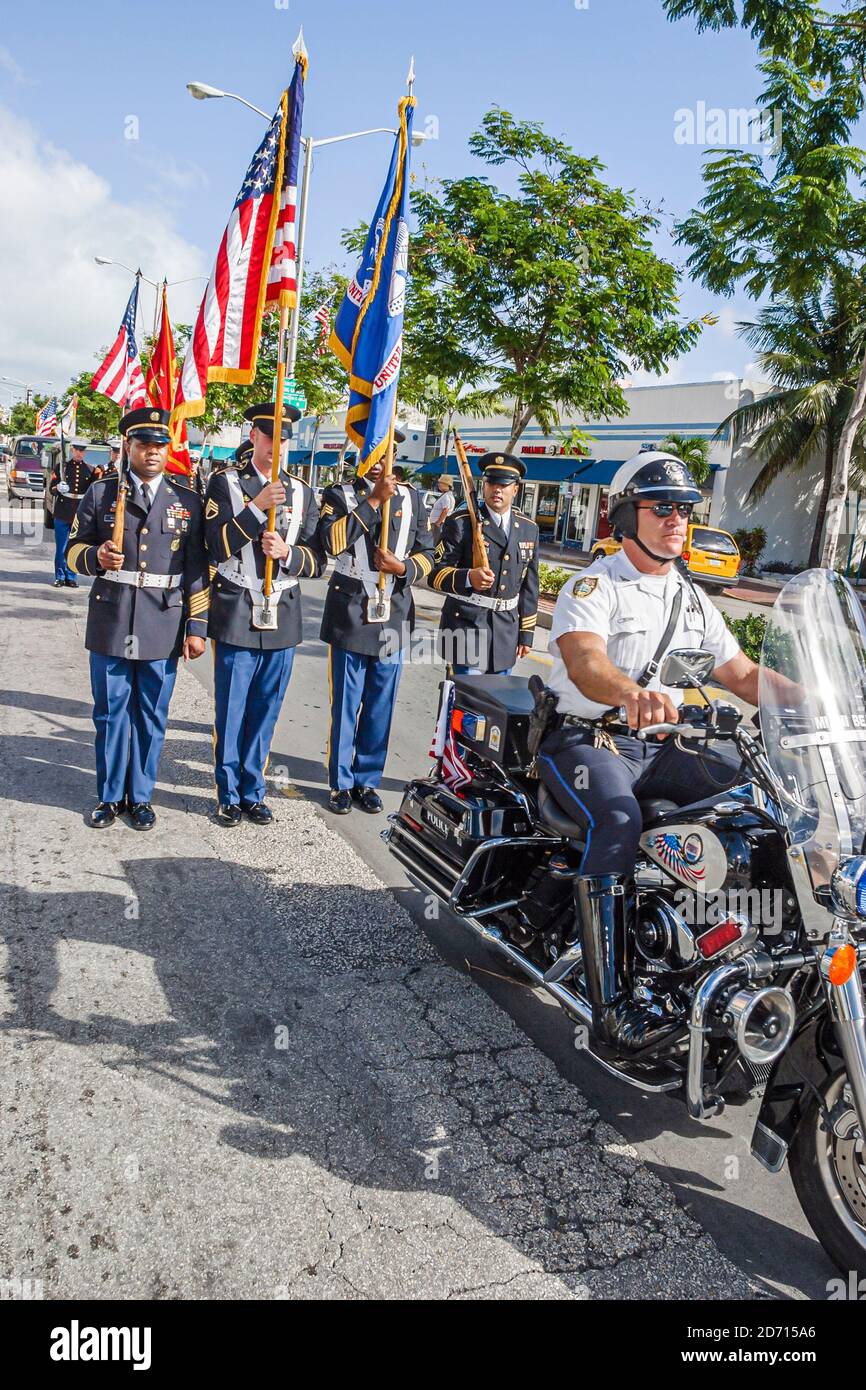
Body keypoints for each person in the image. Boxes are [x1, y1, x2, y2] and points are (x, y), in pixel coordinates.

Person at [536, 451, 762, 1050]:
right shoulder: (595, 583)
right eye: (661, 507)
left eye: (685, 508)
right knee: (617, 818)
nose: (677, 519)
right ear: (623, 516)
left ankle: (744, 953)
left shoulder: (693, 598)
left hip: (663, 745)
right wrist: (631, 693)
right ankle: (610, 1003)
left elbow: (743, 675)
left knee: (754, 796)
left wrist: (827, 701)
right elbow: (586, 663)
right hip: (589, 738)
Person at [65, 408, 209, 830]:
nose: (152, 452)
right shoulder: (102, 493)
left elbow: (198, 568)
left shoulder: (187, 499)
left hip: (163, 620)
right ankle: (109, 797)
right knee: (110, 712)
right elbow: (73, 551)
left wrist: (197, 628)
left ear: (168, 450)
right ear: (128, 446)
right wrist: (95, 557)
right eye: (144, 444)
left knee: (151, 714)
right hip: (112, 616)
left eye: (160, 445)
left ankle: (141, 797)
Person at [204, 402, 324, 827]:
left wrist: (288, 553)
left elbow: (318, 559)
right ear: (253, 436)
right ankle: (228, 792)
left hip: (283, 610)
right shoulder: (226, 484)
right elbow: (214, 547)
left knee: (266, 709)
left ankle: (253, 790)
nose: (277, 444)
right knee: (232, 708)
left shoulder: (306, 491)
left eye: (284, 437)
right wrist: (256, 509)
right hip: (237, 605)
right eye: (269, 435)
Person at [318, 428, 434, 814]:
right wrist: (372, 501)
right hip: (352, 607)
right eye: (377, 451)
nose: (385, 459)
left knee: (381, 703)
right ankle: (340, 781)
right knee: (347, 702)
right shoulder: (341, 494)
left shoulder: (412, 497)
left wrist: (403, 567)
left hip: (394, 608)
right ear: (363, 453)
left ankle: (367, 779)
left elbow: (429, 553)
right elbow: (330, 543)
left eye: (390, 451)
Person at [430, 453, 539, 675]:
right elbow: (435, 574)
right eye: (492, 483)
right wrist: (468, 577)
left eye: (504, 484)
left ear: (515, 489)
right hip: (467, 626)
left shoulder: (529, 528)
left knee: (496, 706)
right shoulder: (461, 523)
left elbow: (530, 586)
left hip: (505, 631)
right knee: (467, 706)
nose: (497, 490)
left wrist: (526, 634)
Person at [49, 438, 95, 588]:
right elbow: (51, 489)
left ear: (85, 452)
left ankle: (71, 576)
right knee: (61, 548)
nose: (79, 453)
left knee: (74, 547)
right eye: (76, 450)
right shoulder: (61, 467)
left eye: (82, 451)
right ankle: (60, 577)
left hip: (79, 515)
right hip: (63, 512)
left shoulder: (90, 469)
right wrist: (58, 488)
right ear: (72, 450)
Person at [428, 474, 455, 540]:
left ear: (447, 484)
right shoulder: (447, 495)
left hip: (439, 524)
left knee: (435, 542)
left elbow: (445, 510)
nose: (439, 484)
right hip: (439, 523)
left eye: (441, 483)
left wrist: (438, 523)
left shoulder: (446, 496)